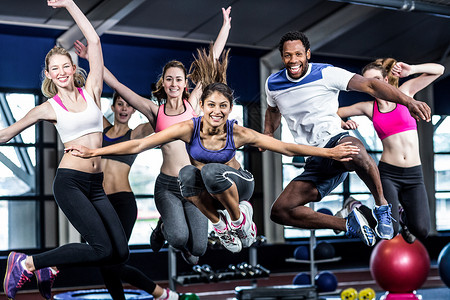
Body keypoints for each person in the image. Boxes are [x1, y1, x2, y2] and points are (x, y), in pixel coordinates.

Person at [65, 81, 360, 253]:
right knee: (185, 175)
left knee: (208, 171)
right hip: (210, 190)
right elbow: (138, 144)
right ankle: (222, 227)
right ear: (202, 106)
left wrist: (329, 151)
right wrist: (95, 150)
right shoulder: (187, 128)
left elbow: (285, 147)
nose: (216, 111)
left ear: (229, 109)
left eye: (223, 106)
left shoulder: (238, 131)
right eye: (211, 105)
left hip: (240, 184)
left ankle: (239, 218)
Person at [74, 6, 232, 264]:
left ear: (184, 84)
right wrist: (91, 58)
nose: (173, 84)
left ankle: (171, 230)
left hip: (194, 184)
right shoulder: (153, 111)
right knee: (179, 238)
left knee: (199, 250)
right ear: (163, 83)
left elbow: (211, 61)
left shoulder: (193, 106)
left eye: (178, 79)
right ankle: (163, 229)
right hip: (168, 185)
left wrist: (225, 26)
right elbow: (117, 85)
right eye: (169, 79)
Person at [2, 1, 129, 299]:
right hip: (70, 182)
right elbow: (7, 133)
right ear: (48, 75)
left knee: (119, 252)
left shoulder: (93, 91)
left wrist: (70, 3)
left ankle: (48, 266)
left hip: (96, 186)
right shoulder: (49, 107)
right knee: (101, 248)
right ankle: (29, 263)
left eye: (65, 66)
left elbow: (94, 41)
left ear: (74, 68)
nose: (61, 72)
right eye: (54, 69)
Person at [263, 31, 432, 247]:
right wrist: (268, 133)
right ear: (282, 57)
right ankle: (347, 223)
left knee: (356, 151)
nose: (293, 60)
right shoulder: (273, 84)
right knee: (279, 211)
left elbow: (370, 86)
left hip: (336, 142)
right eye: (287, 55)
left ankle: (382, 206)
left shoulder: (326, 73)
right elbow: (273, 110)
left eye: (298, 54)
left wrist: (408, 102)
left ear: (307, 54)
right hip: (314, 158)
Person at [337, 58, 444, 243]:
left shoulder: (405, 93)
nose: (374, 85)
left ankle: (401, 216)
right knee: (390, 231)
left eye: (377, 79)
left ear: (386, 80)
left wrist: (412, 68)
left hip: (414, 175)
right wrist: (343, 124)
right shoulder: (369, 108)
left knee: (422, 230)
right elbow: (335, 113)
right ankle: (353, 206)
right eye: (369, 82)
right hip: (389, 174)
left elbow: (439, 70)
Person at [99, 93, 178, 299]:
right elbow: (86, 103)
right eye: (120, 104)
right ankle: (159, 295)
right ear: (113, 106)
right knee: (105, 264)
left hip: (122, 203)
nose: (124, 109)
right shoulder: (103, 128)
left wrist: (164, 99)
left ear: (134, 109)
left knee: (112, 263)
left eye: (128, 106)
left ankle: (160, 293)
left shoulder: (135, 134)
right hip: (100, 202)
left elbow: (159, 121)